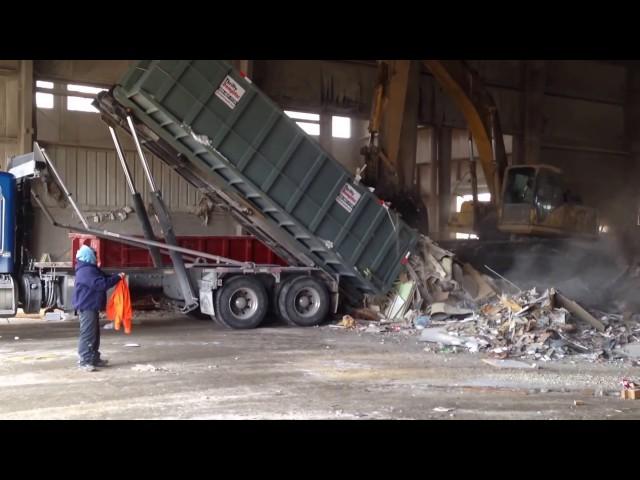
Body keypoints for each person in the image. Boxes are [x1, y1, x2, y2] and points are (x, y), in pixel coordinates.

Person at [72, 245, 125, 372]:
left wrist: (116, 276)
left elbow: (104, 277)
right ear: (88, 256)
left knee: (94, 334)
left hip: (91, 306)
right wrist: (118, 278)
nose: (96, 257)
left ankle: (94, 358)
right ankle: (85, 361)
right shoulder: (86, 271)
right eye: (94, 255)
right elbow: (100, 284)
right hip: (87, 306)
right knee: (88, 334)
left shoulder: (89, 268)